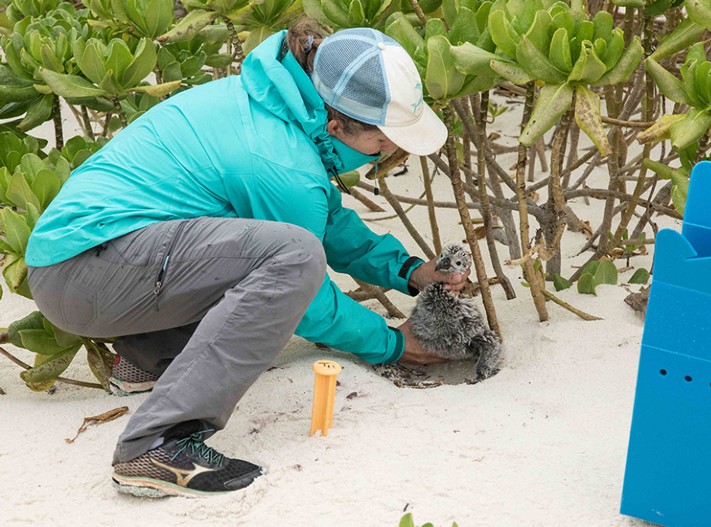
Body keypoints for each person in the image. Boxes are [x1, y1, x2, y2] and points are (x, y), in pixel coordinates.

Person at [25, 21, 468, 498]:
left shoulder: (279, 104)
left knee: (272, 248)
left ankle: (147, 359)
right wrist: (393, 345)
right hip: (85, 273)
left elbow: (325, 219)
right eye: (382, 142)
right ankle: (156, 444)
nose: (388, 152)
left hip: (96, 263)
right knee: (292, 259)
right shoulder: (281, 159)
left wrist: (410, 273)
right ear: (337, 125)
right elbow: (307, 293)